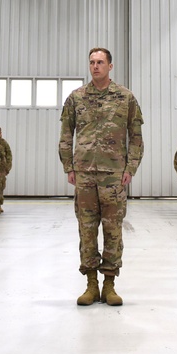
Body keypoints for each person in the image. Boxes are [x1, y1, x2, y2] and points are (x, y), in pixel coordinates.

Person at [59, 47, 143, 307]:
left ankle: (109, 284)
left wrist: (130, 168)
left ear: (110, 66)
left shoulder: (125, 97)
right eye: (92, 62)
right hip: (84, 175)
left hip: (114, 176)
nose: (95, 66)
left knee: (113, 230)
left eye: (100, 62)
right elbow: (65, 134)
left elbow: (136, 136)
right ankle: (91, 285)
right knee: (86, 229)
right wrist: (69, 167)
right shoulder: (76, 97)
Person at [0, 126, 13, 213]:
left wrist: (7, 168)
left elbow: (9, 156)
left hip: (1, 170)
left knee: (0, 188)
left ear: (0, 133)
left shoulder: (4, 143)